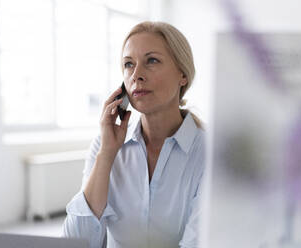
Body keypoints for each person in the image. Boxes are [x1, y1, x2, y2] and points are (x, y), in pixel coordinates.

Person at [63, 21, 206, 248]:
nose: (137, 75)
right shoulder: (105, 144)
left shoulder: (210, 153)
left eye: (152, 61)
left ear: (183, 75)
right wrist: (106, 155)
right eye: (129, 64)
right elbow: (78, 241)